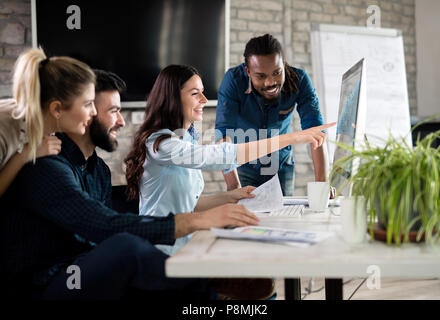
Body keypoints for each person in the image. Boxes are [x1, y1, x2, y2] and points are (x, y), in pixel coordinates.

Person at [1, 68, 264, 300]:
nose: (122, 120)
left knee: (132, 260)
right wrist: (196, 220)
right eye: (113, 111)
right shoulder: (46, 166)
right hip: (47, 283)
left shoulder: (98, 170)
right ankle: (213, 294)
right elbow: (101, 225)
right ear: (88, 112)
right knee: (126, 247)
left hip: (84, 268)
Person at [125, 64, 335, 256]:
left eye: (203, 92)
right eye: (195, 93)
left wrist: (231, 196)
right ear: (172, 98)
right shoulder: (160, 144)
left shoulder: (185, 139)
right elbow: (219, 156)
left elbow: (191, 205)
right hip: (160, 252)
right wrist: (293, 137)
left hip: (185, 244)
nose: (204, 100)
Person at [215, 34, 332, 197]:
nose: (270, 82)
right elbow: (224, 135)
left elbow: (316, 133)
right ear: (248, 71)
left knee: (283, 219)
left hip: (281, 165)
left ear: (283, 64)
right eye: (261, 76)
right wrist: (234, 189)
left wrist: (322, 186)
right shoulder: (233, 81)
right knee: (245, 218)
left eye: (277, 73)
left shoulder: (299, 80)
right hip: (244, 166)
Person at [0, 47, 98, 196]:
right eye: (87, 104)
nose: (94, 112)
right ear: (57, 109)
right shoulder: (4, 131)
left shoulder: (45, 122)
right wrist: (25, 155)